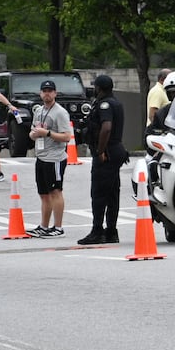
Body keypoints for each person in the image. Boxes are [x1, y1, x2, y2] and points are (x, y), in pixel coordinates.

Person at [78, 74, 129, 245]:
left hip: (107, 152)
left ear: (99, 88)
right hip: (116, 150)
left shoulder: (105, 105)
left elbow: (106, 128)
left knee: (99, 194)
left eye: (95, 87)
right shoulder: (116, 102)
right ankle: (111, 231)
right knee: (113, 193)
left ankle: (97, 231)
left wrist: (100, 151)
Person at [27, 79, 74, 238]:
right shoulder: (39, 110)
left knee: (55, 192)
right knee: (44, 194)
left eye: (50, 91)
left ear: (55, 93)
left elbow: (67, 136)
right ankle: (44, 226)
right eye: (44, 91)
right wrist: (34, 134)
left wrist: (47, 133)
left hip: (55, 158)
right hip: (41, 156)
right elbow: (33, 131)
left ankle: (58, 227)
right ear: (40, 93)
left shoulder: (59, 112)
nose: (47, 93)